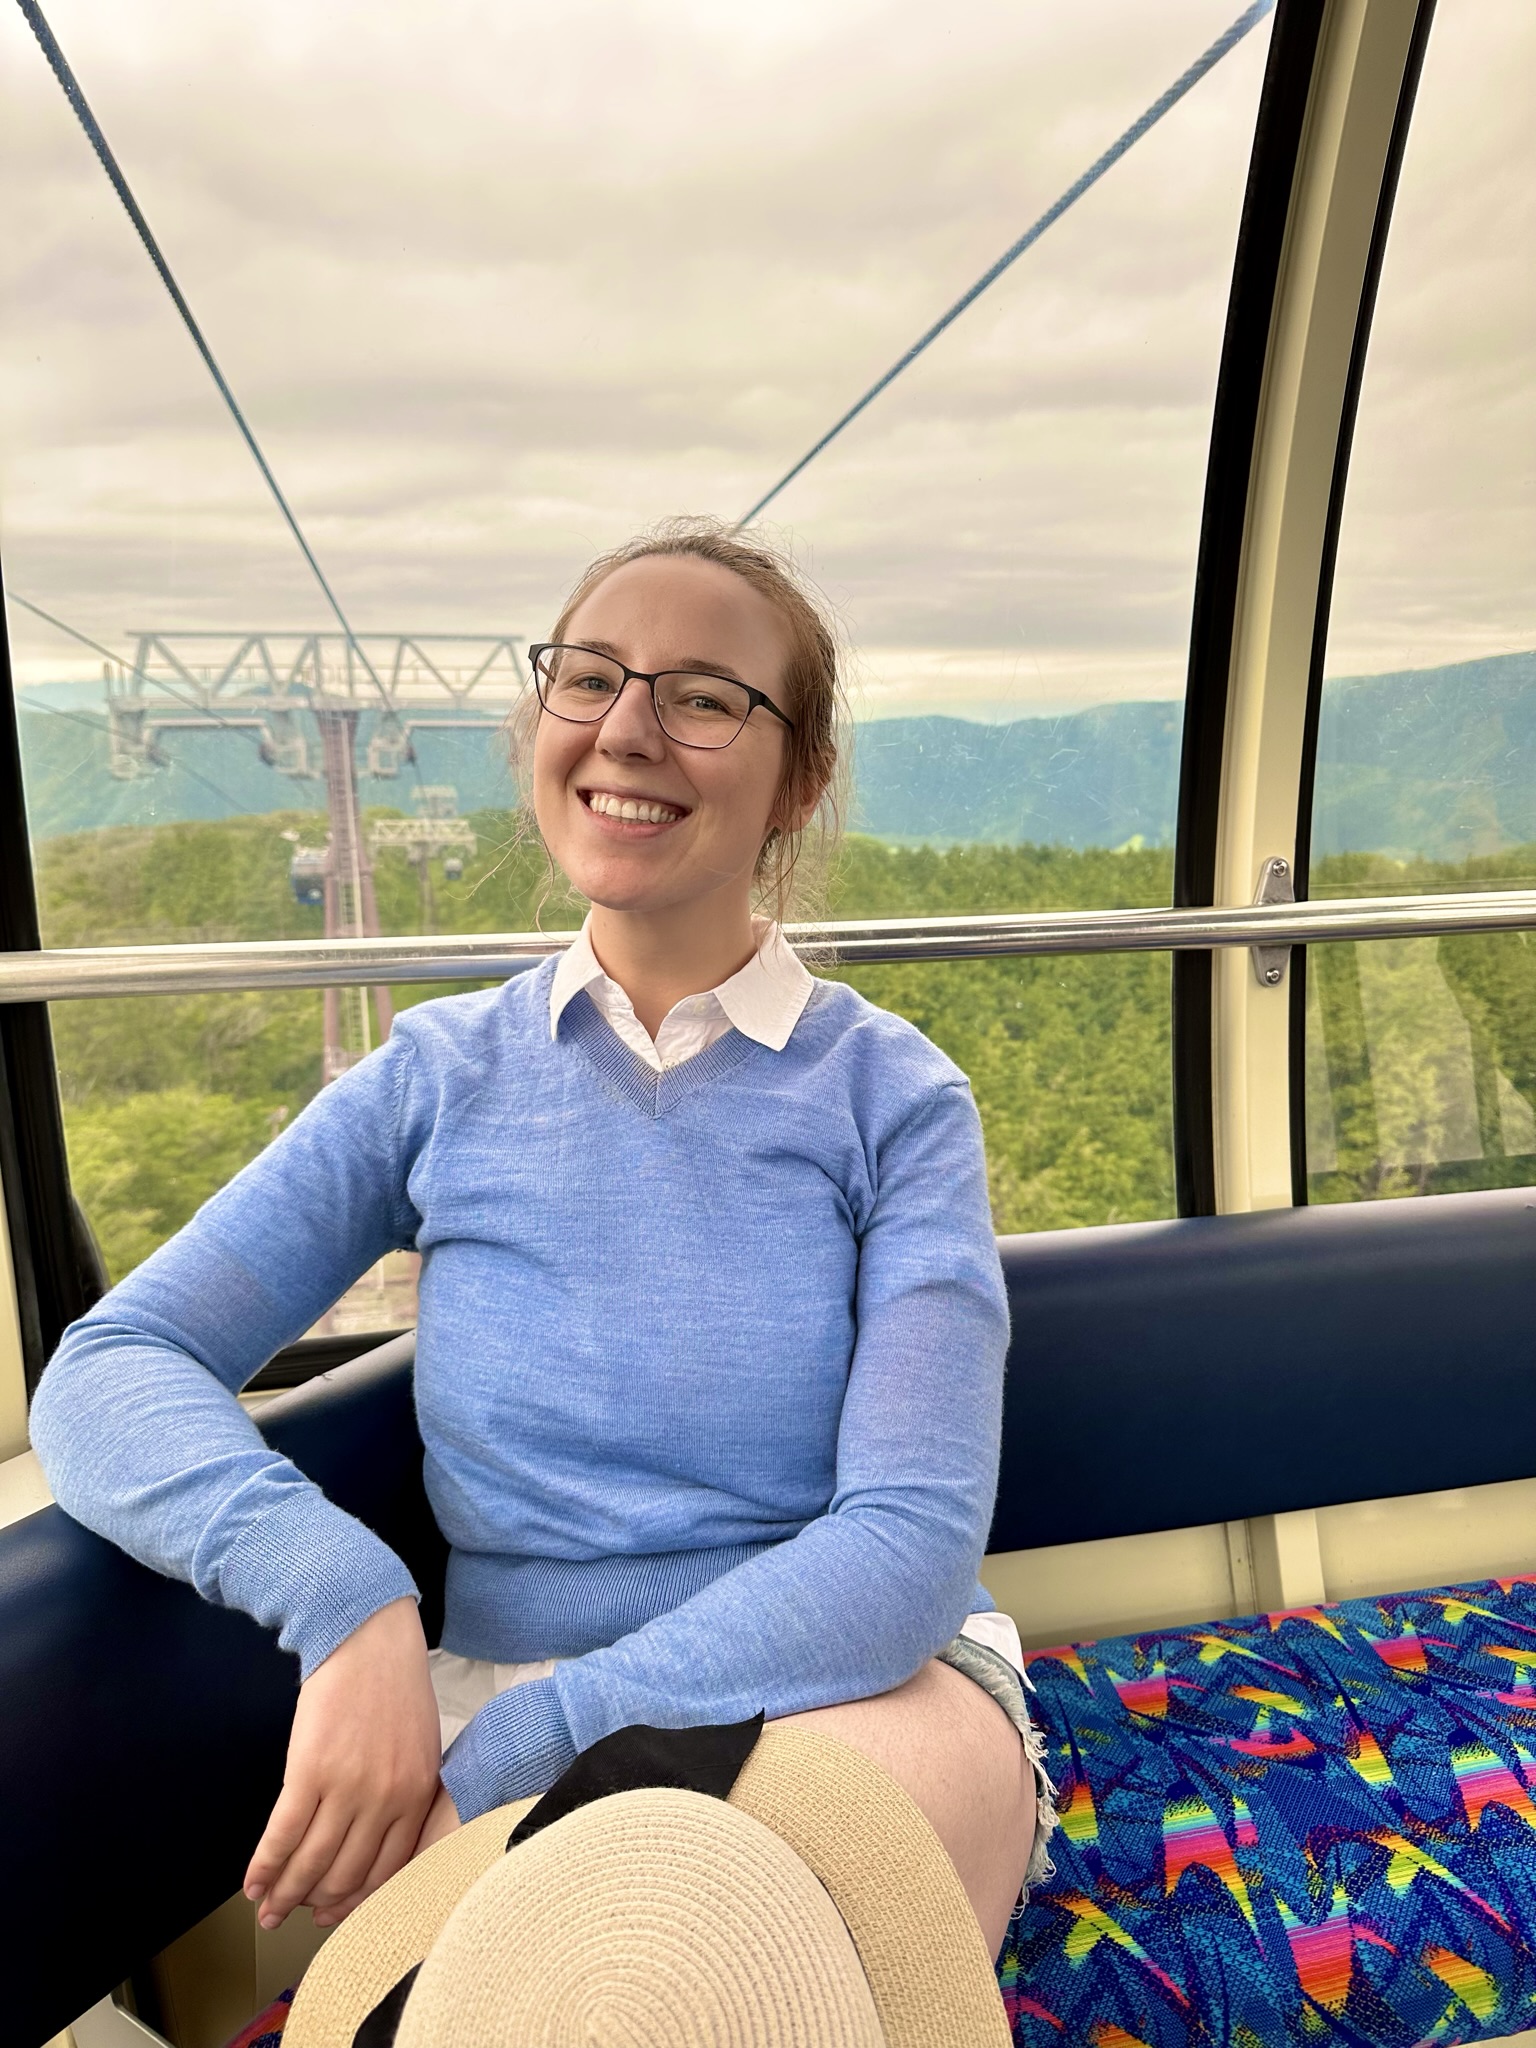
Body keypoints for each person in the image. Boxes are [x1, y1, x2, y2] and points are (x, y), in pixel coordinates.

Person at [31, 519, 1047, 1966]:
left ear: (800, 778)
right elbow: (111, 1366)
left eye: (704, 699)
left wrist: (539, 1746)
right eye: (590, 678)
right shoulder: (435, 1079)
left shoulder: (894, 1101)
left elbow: (908, 1545)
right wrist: (349, 1603)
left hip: (852, 1690)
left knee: (713, 1951)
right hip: (504, 1691)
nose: (627, 731)